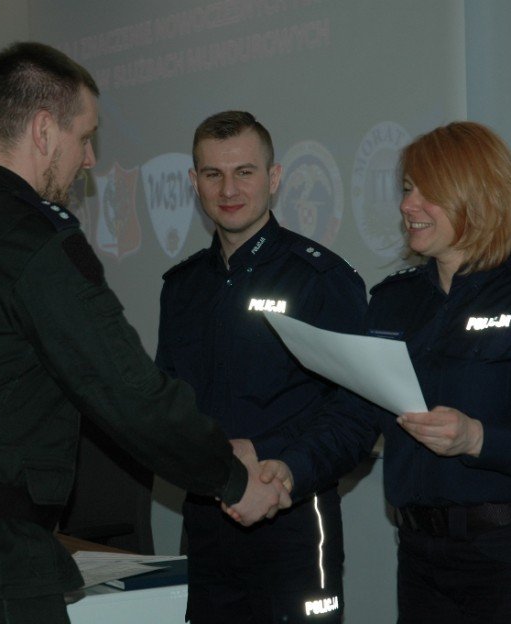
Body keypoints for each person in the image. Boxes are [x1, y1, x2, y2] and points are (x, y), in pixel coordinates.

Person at [0, 43, 289, 624]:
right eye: (85, 137)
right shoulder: (36, 245)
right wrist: (230, 478)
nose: (91, 158)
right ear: (45, 131)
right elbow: (127, 391)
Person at [155, 110, 377, 623]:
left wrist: (269, 455)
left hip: (295, 524)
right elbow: (167, 407)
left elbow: (357, 415)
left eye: (245, 172)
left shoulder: (322, 280)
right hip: (208, 527)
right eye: (213, 174)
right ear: (194, 183)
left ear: (274, 179)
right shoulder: (182, 289)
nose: (228, 189)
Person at [367, 121, 511, 623]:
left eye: (430, 193)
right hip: (420, 557)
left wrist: (477, 439)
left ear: (479, 197)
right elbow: (355, 417)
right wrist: (286, 465)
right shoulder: (390, 302)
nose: (408, 205)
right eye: (407, 189)